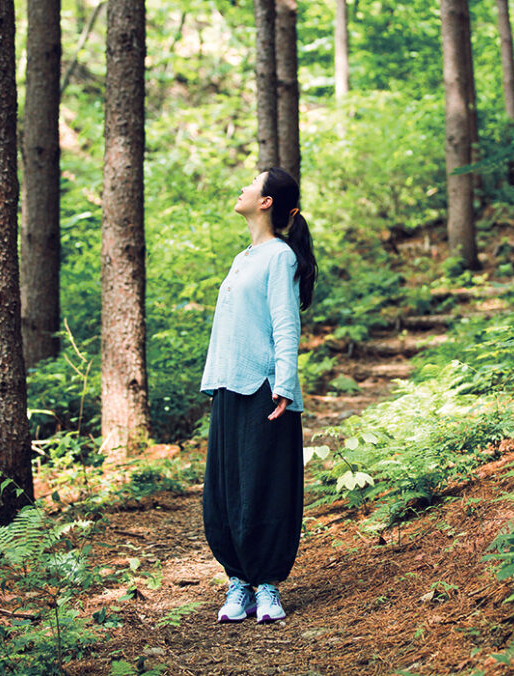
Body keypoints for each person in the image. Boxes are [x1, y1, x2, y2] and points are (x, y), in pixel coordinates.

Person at [199, 167, 317, 623]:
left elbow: (286, 324)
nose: (244, 187)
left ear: (266, 201)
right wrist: (215, 382)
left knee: (265, 488)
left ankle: (267, 586)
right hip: (230, 387)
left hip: (267, 389)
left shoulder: (279, 257)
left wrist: (285, 387)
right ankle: (238, 583)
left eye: (253, 182)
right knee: (226, 491)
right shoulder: (243, 257)